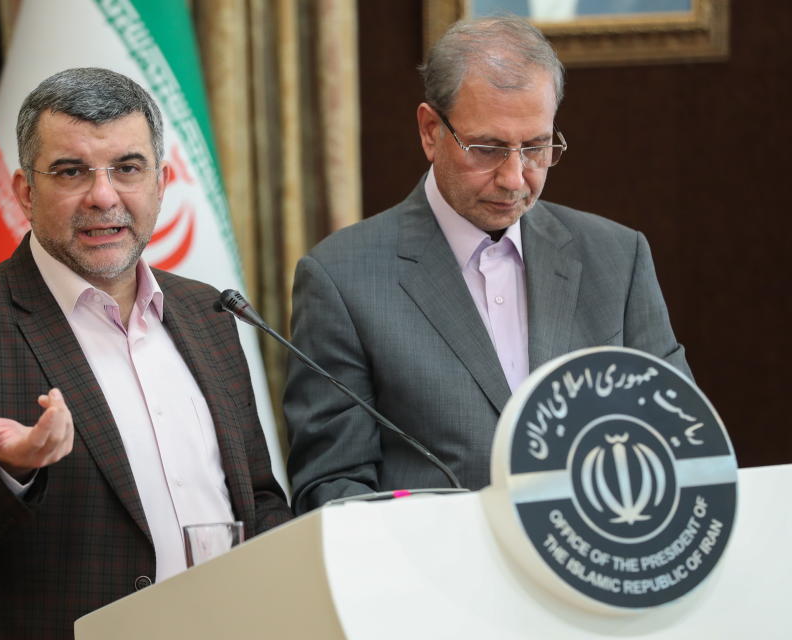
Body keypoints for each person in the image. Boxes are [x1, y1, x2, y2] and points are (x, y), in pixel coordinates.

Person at [0, 67, 292, 638]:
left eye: (127, 168)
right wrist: (5, 473)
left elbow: (258, 499)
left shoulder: (209, 313)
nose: (103, 196)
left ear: (161, 182)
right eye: (72, 172)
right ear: (25, 191)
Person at [284, 16, 690, 514]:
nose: (515, 179)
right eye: (489, 149)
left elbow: (679, 441)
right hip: (435, 580)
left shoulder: (617, 257)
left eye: (537, 147)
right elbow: (333, 490)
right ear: (431, 131)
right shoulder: (341, 280)